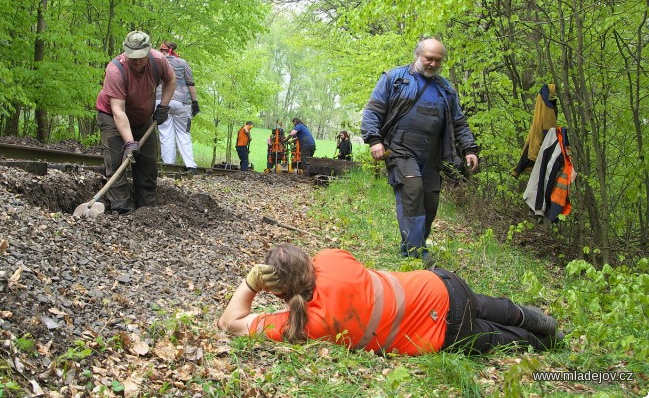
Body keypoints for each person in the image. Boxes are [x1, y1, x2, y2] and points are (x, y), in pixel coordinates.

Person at [217, 243, 563, 356]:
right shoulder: (332, 258)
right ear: (307, 260)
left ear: (280, 293)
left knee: (492, 337)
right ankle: (537, 319)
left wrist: (250, 284)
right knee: (486, 304)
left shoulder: (308, 324)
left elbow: (229, 323)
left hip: (442, 334)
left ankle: (542, 341)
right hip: (441, 284)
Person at [360, 37, 479, 266]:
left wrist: (469, 149)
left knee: (430, 203)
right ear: (417, 55)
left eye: (438, 60)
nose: (433, 64)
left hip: (433, 154)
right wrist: (374, 140)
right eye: (429, 58)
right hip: (401, 148)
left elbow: (459, 122)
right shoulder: (394, 79)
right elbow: (373, 111)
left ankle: (413, 243)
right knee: (412, 191)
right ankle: (416, 255)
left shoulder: (445, 89)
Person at [95, 31, 176, 214]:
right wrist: (130, 142)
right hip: (112, 116)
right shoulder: (116, 70)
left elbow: (171, 80)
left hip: (142, 117)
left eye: (141, 57)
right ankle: (122, 209)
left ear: (148, 52)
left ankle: (145, 209)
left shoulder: (158, 61)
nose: (137, 62)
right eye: (133, 58)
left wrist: (163, 107)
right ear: (125, 52)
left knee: (147, 162)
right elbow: (118, 110)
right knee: (116, 161)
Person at [155, 41, 200, 173]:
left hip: (161, 101)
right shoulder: (182, 63)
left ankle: (169, 166)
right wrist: (195, 103)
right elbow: (190, 83)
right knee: (183, 133)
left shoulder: (156, 64)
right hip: (182, 103)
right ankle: (191, 165)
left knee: (166, 134)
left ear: (162, 50)